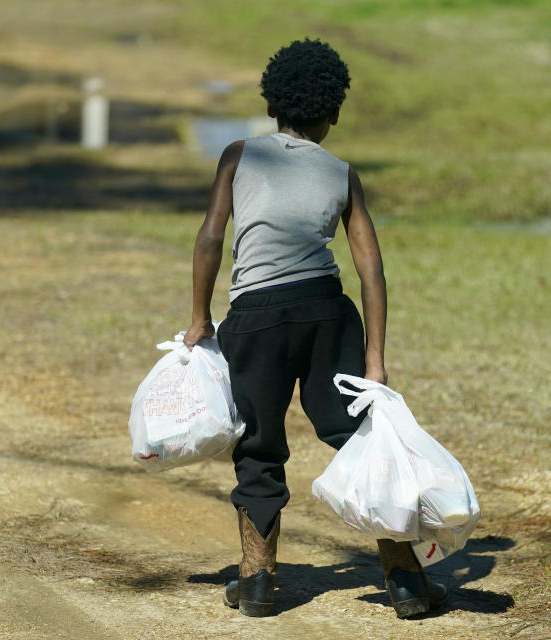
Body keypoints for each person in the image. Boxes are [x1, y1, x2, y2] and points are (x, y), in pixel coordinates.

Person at [182, 38, 446, 619]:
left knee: (257, 443)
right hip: (327, 310)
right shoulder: (342, 172)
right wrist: (374, 357)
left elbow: (209, 238)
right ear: (332, 111)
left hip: (255, 317)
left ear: (274, 102)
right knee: (360, 438)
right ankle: (406, 582)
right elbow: (369, 266)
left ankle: (256, 581)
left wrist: (201, 317)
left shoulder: (237, 154)